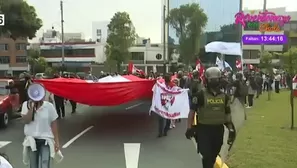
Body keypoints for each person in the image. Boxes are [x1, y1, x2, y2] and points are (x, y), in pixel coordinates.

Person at [185, 67, 235, 168]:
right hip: (204, 129)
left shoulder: (224, 96)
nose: (214, 81)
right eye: (212, 79)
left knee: (213, 155)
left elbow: (227, 114)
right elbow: (192, 112)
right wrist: (189, 127)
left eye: (216, 79)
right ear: (207, 80)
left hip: (218, 129)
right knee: (206, 155)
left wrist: (231, 129)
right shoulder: (200, 95)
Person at [21, 88, 60, 168]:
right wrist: (32, 108)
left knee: (45, 164)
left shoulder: (49, 106)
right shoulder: (26, 105)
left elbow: (54, 124)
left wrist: (57, 142)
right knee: (33, 165)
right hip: (32, 140)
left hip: (45, 140)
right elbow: (26, 121)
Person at [157, 73, 172, 137]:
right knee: (161, 119)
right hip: (162, 104)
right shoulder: (161, 86)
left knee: (168, 119)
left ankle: (165, 130)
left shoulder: (172, 85)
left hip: (168, 104)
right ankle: (161, 132)